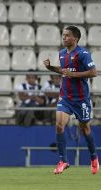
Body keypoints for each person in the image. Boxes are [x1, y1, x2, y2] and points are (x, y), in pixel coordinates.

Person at [43, 25, 99, 174]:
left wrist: (74, 75)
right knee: (59, 125)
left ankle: (94, 157)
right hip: (66, 97)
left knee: (85, 129)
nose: (64, 38)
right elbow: (63, 71)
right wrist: (51, 68)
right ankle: (63, 160)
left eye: (67, 35)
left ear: (76, 38)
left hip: (81, 100)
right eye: (63, 35)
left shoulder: (83, 53)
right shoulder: (62, 53)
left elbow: (94, 72)